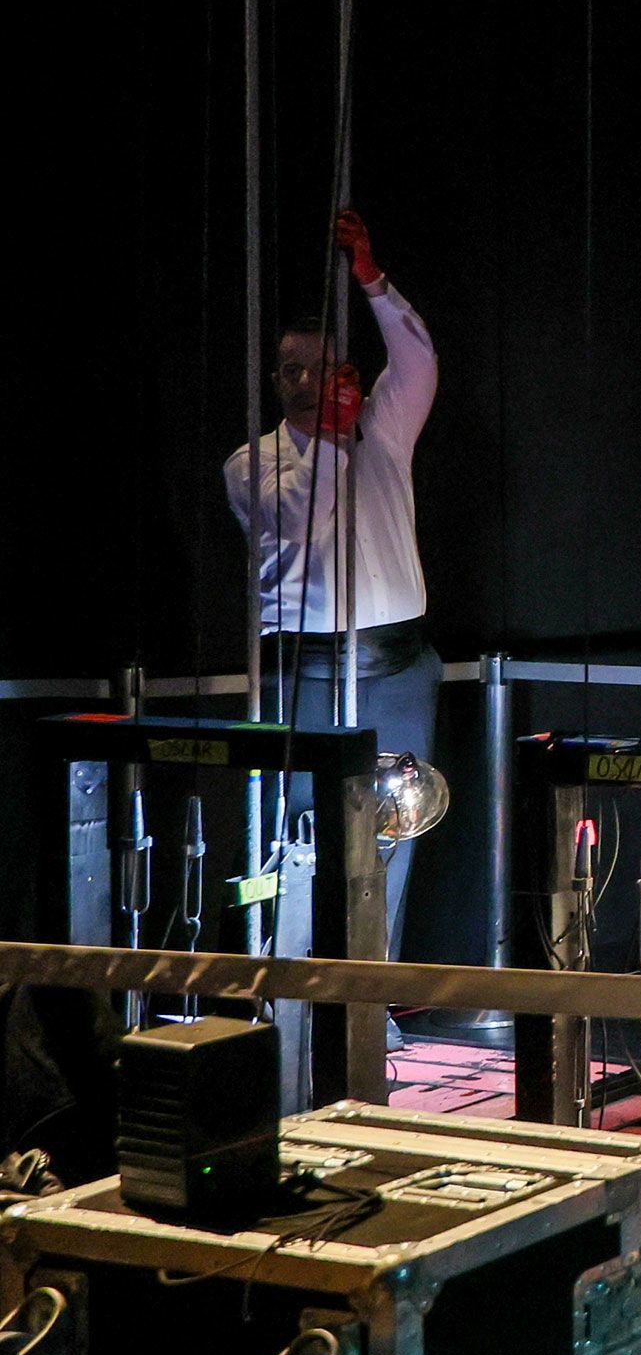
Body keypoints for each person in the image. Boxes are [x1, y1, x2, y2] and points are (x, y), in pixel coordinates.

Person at [224, 209, 441, 984]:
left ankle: (370, 1000)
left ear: (345, 371)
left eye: (324, 367)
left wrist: (372, 281)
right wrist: (325, 437)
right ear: (277, 380)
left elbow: (417, 364)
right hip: (306, 673)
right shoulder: (253, 465)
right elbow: (304, 513)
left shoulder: (381, 432)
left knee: (394, 826)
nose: (309, 382)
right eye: (293, 370)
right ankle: (288, 992)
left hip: (398, 663)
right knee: (294, 831)